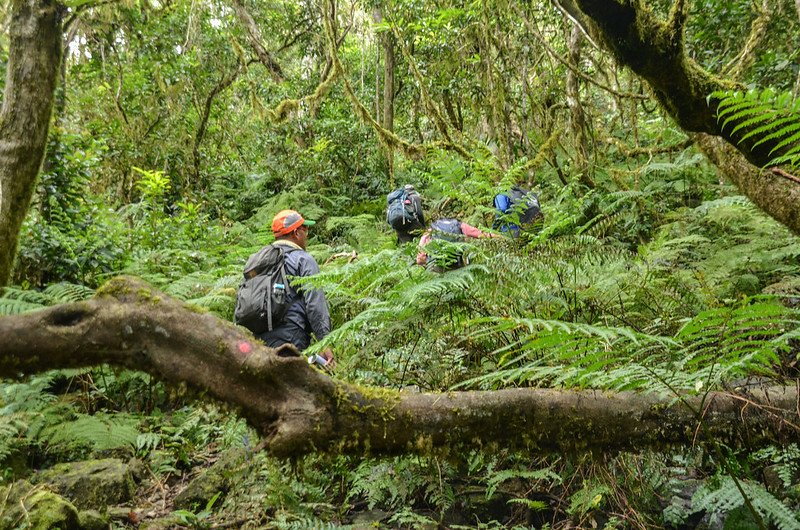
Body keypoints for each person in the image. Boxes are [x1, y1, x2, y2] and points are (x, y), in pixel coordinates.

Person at [259, 209, 334, 365]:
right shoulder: (303, 260)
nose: (307, 234)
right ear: (296, 233)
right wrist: (324, 342)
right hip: (291, 338)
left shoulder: (259, 259)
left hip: (257, 337)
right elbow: (315, 305)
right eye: (305, 229)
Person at [415, 218, 499, 270]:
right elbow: (481, 234)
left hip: (438, 265)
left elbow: (419, 259)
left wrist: (428, 261)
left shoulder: (430, 231)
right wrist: (502, 237)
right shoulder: (459, 225)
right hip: (457, 262)